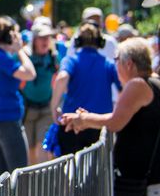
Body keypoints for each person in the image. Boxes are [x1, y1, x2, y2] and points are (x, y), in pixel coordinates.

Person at [61, 38, 160, 196]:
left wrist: (84, 120)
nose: (114, 65)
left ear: (129, 64)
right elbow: (119, 116)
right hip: (150, 181)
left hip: (151, 183)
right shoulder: (153, 82)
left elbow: (116, 121)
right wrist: (85, 119)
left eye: (116, 60)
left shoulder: (137, 85)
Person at [50, 23, 121, 156]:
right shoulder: (108, 63)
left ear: (77, 41)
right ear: (101, 42)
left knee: (71, 171)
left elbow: (62, 78)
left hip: (72, 123)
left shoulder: (71, 60)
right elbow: (122, 88)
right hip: (100, 124)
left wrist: (54, 106)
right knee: (98, 172)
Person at [0, 17, 35, 178]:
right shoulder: (0, 58)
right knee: (19, 174)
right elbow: (30, 74)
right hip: (7, 119)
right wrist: (19, 50)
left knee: (0, 177)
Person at [22, 20, 61, 164]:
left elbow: (57, 80)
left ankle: (43, 185)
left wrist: (56, 103)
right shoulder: (25, 56)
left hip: (46, 108)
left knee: (42, 146)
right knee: (29, 148)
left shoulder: (53, 56)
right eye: (42, 38)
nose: (45, 41)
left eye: (48, 38)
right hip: (27, 109)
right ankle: (32, 183)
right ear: (34, 39)